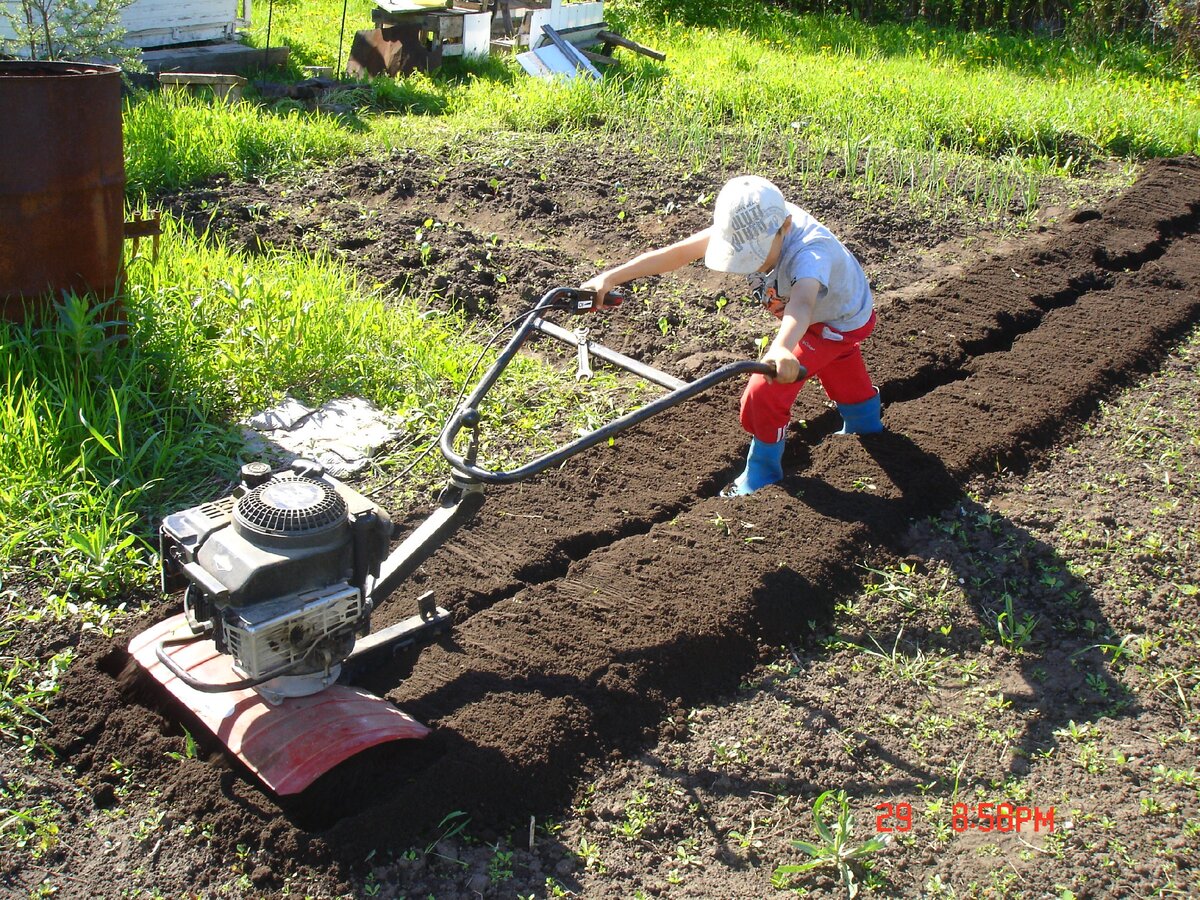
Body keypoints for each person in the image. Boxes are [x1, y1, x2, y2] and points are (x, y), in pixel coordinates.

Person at [582, 174, 882, 496]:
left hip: (837, 322)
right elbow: (677, 253)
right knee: (838, 361)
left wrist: (781, 349)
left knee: (763, 390)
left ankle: (762, 473)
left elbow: (803, 303)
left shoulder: (810, 253)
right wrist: (610, 278)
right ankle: (865, 424)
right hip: (826, 316)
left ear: (785, 227)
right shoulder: (751, 221)